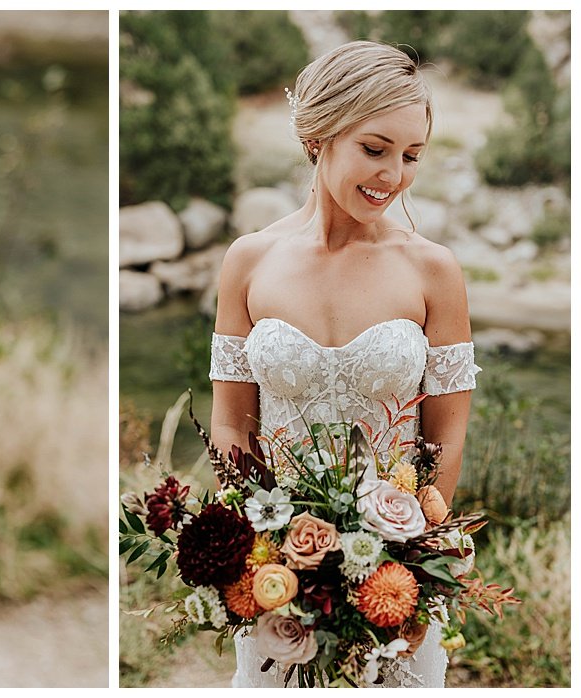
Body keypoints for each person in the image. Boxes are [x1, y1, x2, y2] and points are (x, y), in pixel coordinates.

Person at [209, 40, 479, 688]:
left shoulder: (433, 269)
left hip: (391, 573)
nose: (394, 174)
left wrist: (405, 552)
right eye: (376, 148)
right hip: (275, 572)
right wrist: (253, 547)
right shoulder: (249, 260)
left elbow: (446, 435)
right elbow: (230, 425)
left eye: (411, 155)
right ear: (320, 133)